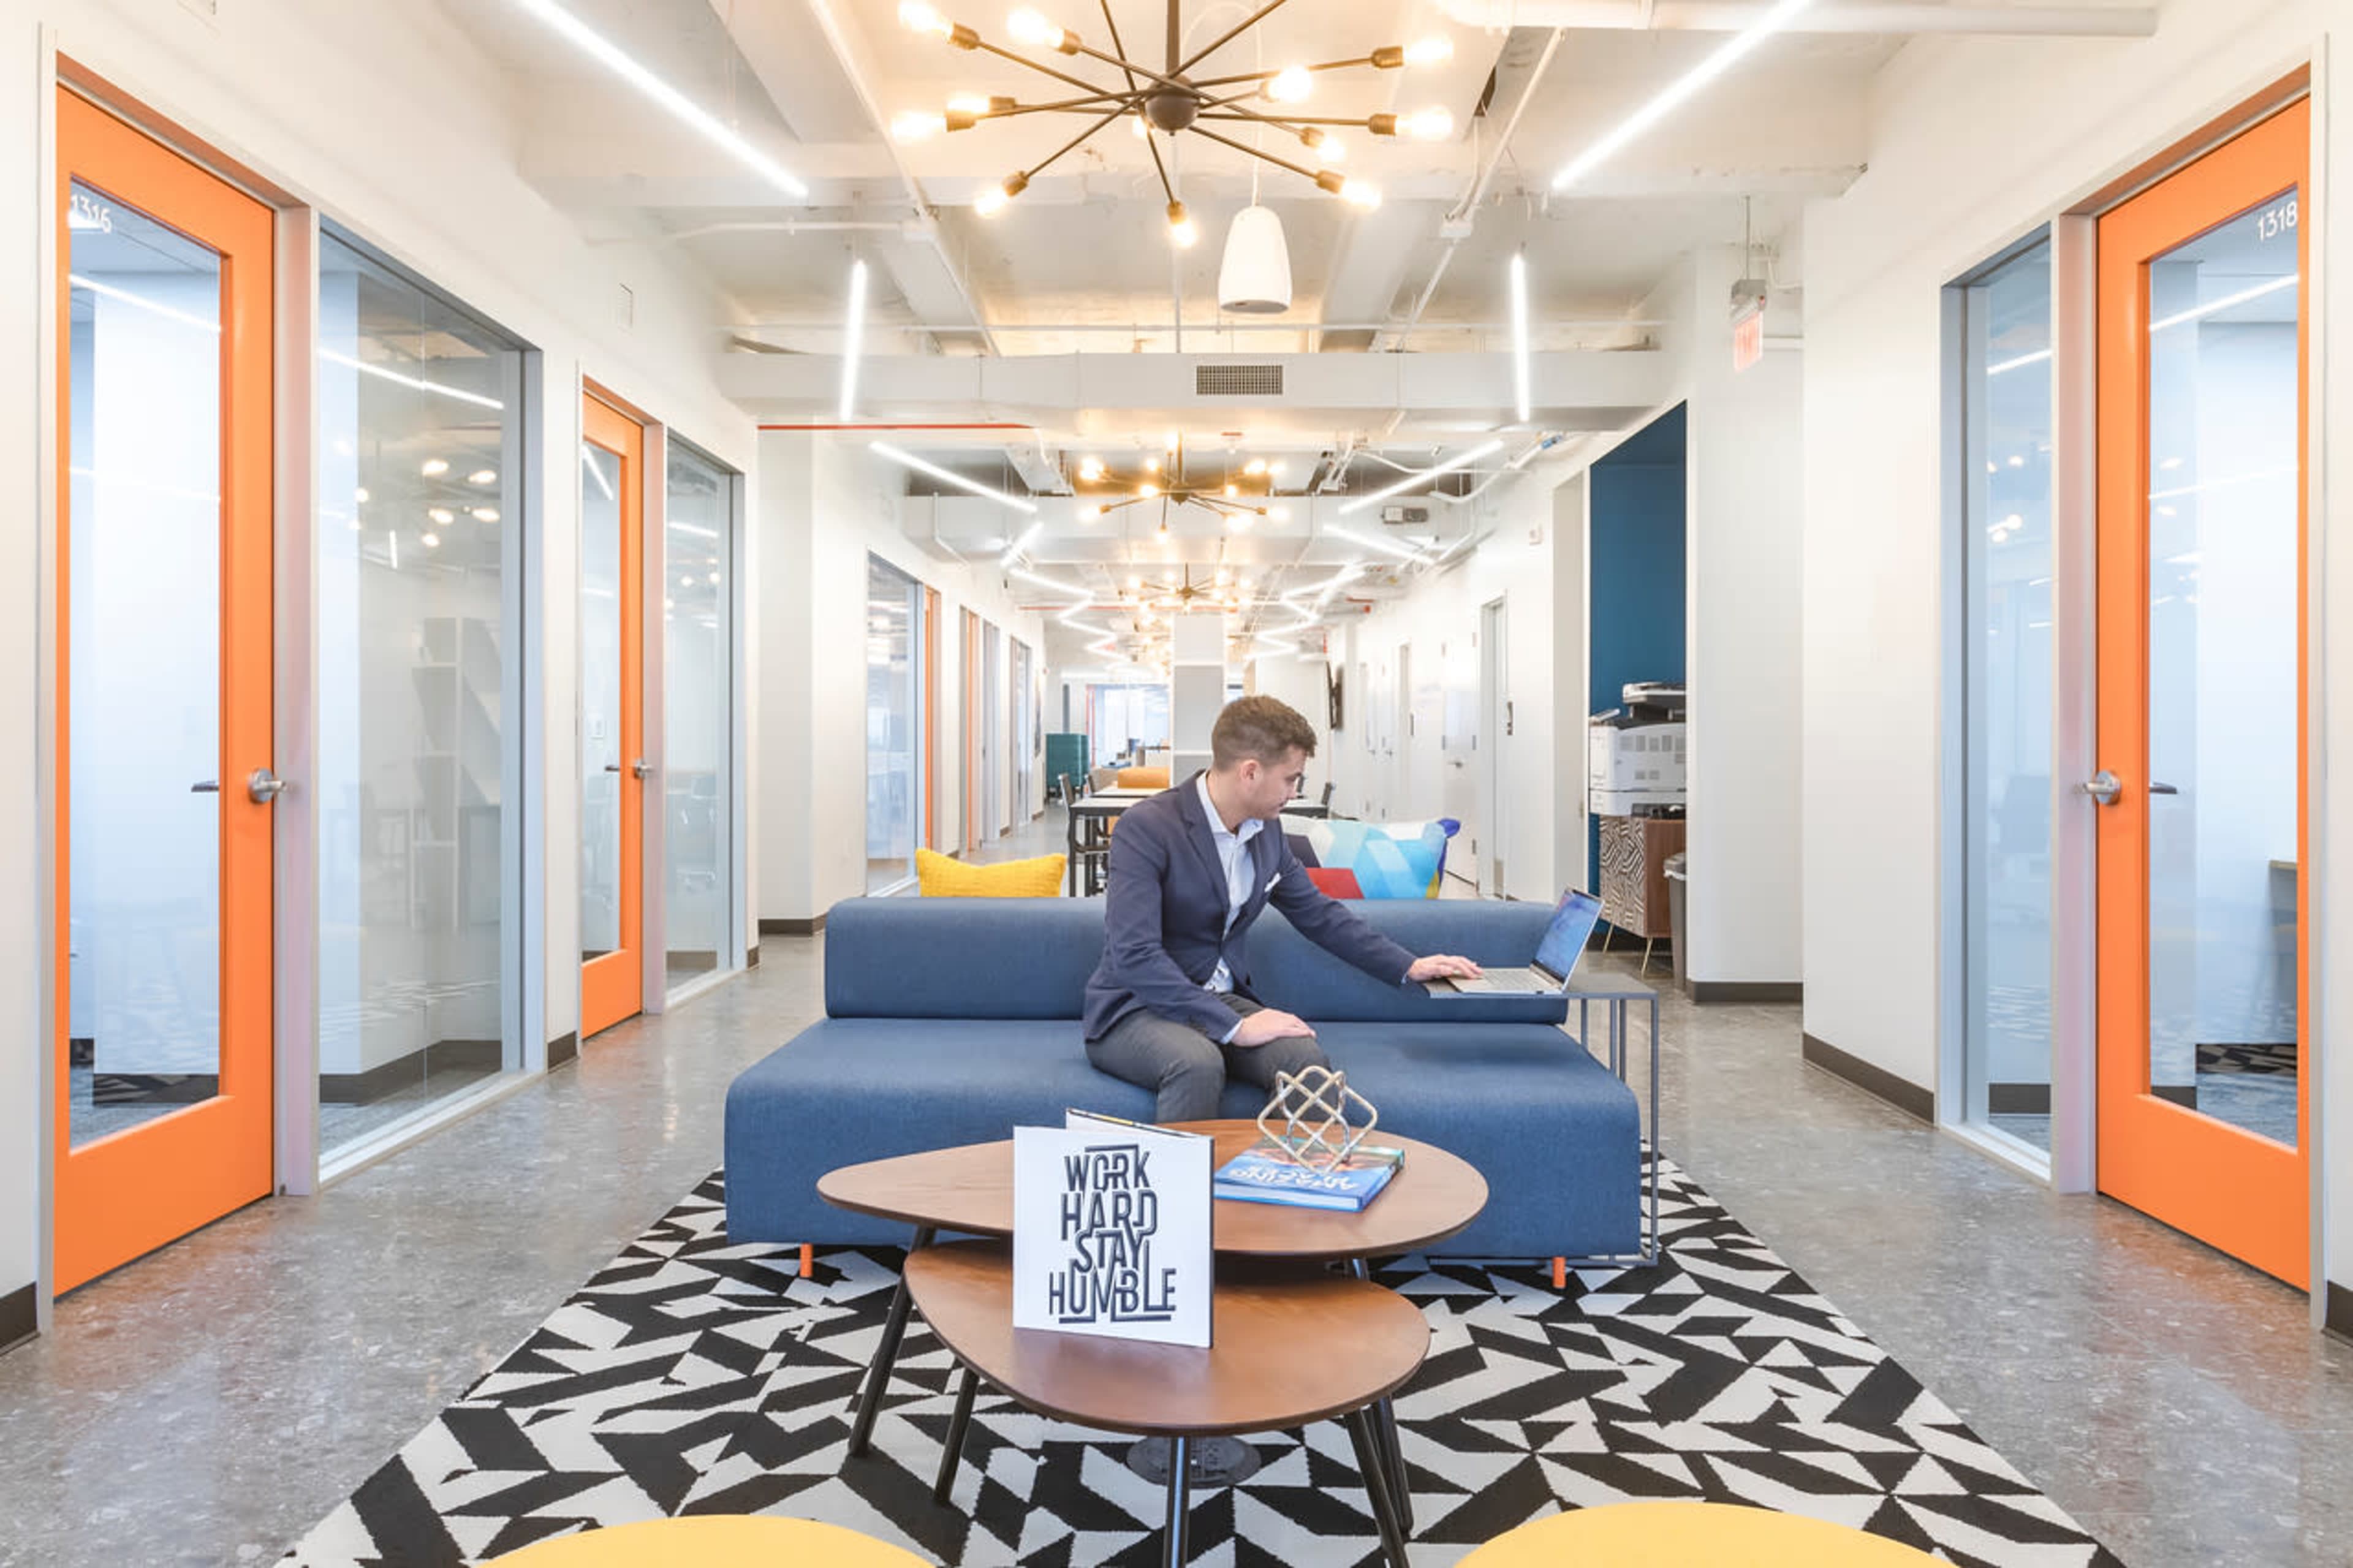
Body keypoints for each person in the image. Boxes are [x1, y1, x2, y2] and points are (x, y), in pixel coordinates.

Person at [1082, 695, 1483, 1122]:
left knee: (1304, 1062)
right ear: (1250, 772)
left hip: (1216, 1000)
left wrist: (1409, 964)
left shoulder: (1267, 832)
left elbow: (1320, 915)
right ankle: (1184, 1190)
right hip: (1138, 1008)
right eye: (1291, 779)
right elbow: (1135, 956)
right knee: (1197, 1064)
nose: (1295, 793)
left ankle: (1298, 1183)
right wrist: (1235, 1025)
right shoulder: (1147, 828)